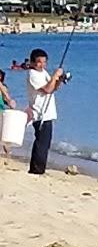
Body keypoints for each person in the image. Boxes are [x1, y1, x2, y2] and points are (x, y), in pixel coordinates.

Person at [25, 48, 66, 176]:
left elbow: (53, 88)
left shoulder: (43, 73)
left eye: (44, 62)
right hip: (40, 113)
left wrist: (59, 79)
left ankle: (38, 168)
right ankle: (36, 169)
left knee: (45, 143)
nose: (42, 65)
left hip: (48, 113)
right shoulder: (32, 74)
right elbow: (47, 89)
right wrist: (54, 76)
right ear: (32, 62)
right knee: (41, 143)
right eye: (39, 62)